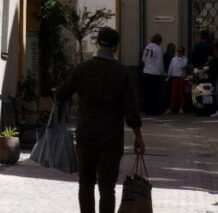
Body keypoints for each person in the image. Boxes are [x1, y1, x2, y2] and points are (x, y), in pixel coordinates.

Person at [55, 26, 144, 213]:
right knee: (107, 188)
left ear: (96, 43)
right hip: (111, 137)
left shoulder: (82, 69)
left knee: (86, 183)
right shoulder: (122, 72)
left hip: (86, 134)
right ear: (116, 47)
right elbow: (131, 108)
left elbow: (62, 94)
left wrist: (57, 91)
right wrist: (138, 136)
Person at [139, 33, 164, 115]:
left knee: (147, 92)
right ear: (159, 41)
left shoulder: (147, 47)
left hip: (146, 71)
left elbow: (143, 59)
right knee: (155, 93)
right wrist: (162, 72)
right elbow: (160, 62)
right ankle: (154, 110)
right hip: (155, 73)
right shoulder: (157, 48)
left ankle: (147, 109)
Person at [165, 46, 188, 113]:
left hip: (181, 77)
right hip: (175, 77)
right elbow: (170, 68)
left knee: (181, 93)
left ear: (183, 52)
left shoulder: (185, 59)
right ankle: (170, 108)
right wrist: (168, 76)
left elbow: (183, 66)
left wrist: (180, 58)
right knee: (173, 93)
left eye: (180, 51)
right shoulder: (173, 59)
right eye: (178, 51)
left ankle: (181, 107)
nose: (179, 52)